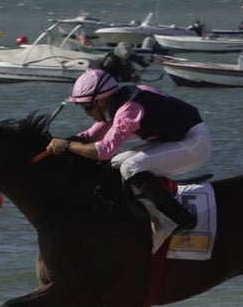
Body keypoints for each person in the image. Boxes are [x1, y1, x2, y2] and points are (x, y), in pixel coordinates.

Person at [46, 68, 210, 231]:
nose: (86, 114)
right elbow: (90, 136)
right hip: (176, 139)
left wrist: (67, 146)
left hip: (195, 143)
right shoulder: (118, 104)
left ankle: (183, 220)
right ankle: (151, 211)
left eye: (86, 107)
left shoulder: (129, 110)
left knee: (130, 166)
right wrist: (55, 143)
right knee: (117, 163)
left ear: (100, 101)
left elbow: (104, 151)